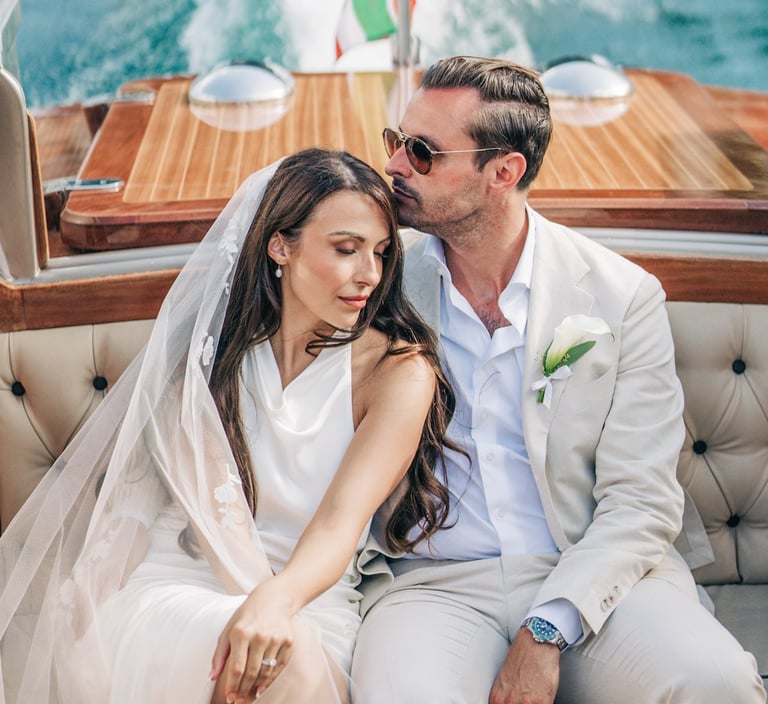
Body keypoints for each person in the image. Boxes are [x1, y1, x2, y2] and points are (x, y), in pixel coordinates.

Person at [350, 56, 766, 704]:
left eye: (423, 152)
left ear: (503, 172)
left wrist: (546, 627)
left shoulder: (622, 297)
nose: (395, 165)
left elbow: (642, 501)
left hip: (590, 570)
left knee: (718, 682)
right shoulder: (374, 285)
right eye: (395, 141)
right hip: (429, 586)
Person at [0, 148, 459, 704]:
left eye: (382, 253)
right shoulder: (210, 358)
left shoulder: (397, 372)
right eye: (346, 249)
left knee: (283, 654)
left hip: (306, 596)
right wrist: (88, 607)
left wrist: (274, 603)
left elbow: (340, 524)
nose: (370, 275)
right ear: (280, 246)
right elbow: (165, 513)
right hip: (181, 581)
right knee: (248, 650)